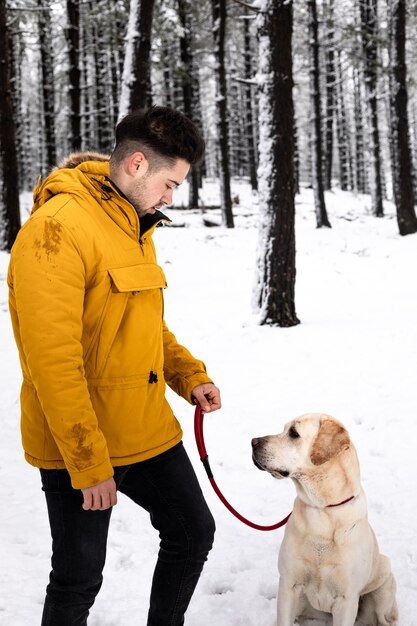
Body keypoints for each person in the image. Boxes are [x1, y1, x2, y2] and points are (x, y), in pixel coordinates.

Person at [7, 105, 221, 626]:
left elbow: (141, 324)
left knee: (193, 532)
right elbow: (51, 362)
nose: (173, 198)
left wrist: (188, 374)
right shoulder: (55, 230)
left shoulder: (133, 223)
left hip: (143, 427)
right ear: (137, 166)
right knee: (79, 577)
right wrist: (87, 463)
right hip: (78, 440)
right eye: (170, 184)